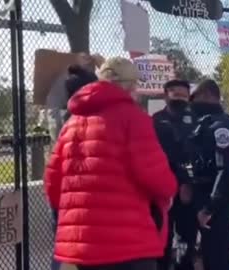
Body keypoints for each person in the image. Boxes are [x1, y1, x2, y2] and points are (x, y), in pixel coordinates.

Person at [44, 57, 177, 270]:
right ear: (130, 86)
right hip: (127, 245)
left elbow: (52, 183)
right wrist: (171, 188)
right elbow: (156, 178)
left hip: (77, 249)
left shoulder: (70, 124)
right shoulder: (135, 119)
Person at [189, 79, 229, 270]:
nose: (191, 103)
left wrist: (209, 208)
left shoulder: (221, 127)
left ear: (207, 96)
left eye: (194, 98)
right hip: (209, 197)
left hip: (219, 203)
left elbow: (227, 171)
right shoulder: (206, 123)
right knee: (211, 254)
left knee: (219, 257)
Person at [49, 64, 99, 270]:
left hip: (66, 189)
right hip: (86, 190)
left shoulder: (63, 119)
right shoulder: (93, 118)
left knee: (64, 244)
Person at [153, 79, 198, 270]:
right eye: (175, 94)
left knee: (187, 235)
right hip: (163, 187)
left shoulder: (195, 119)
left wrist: (187, 182)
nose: (180, 98)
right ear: (165, 95)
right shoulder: (156, 120)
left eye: (184, 95)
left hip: (188, 186)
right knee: (162, 235)